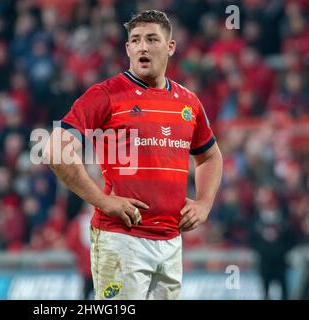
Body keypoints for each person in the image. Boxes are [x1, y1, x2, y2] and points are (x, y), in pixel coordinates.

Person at [45, 10, 223, 300]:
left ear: (170, 47)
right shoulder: (106, 94)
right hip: (121, 239)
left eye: (152, 39)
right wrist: (102, 201)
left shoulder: (188, 102)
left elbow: (211, 157)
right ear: (127, 48)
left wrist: (204, 203)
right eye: (135, 40)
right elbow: (55, 150)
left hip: (170, 240)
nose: (143, 46)